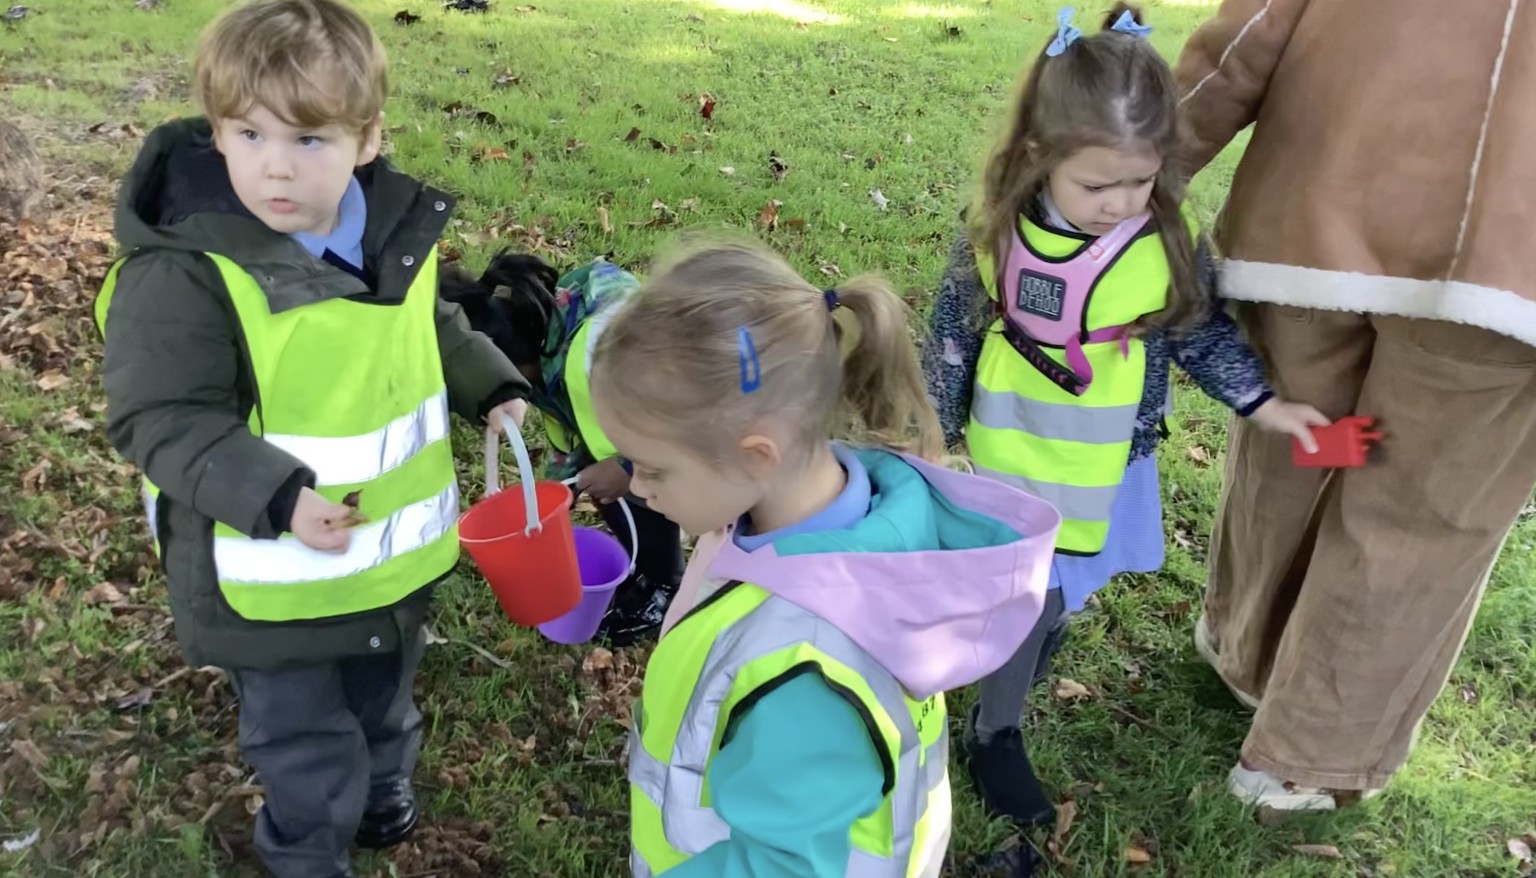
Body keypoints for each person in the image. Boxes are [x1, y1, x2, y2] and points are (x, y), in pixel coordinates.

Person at [94, 1, 529, 874]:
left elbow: (427, 322)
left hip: (385, 558)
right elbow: (161, 415)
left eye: (309, 139)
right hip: (270, 570)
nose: (276, 167)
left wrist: (490, 384)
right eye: (249, 134)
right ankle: (306, 851)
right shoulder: (184, 273)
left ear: (367, 139)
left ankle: (382, 781)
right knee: (303, 737)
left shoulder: (386, 230)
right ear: (217, 129)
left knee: (384, 688)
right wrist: (278, 496)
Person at [921, 3, 1327, 825]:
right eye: (1097, 185)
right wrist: (933, 424)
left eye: (1140, 182)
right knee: (1030, 593)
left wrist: (1264, 403)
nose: (1119, 203)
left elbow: (1197, 331)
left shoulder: (1164, 241)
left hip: (1109, 458)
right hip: (1011, 451)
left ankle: (1028, 648)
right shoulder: (997, 230)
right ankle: (994, 731)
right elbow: (953, 329)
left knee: (1063, 590)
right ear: (1037, 156)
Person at [589, 240, 1061, 878]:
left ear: (757, 455)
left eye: (652, 468)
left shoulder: (807, 671)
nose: (639, 488)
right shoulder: (785, 507)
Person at [1174, 0, 1536, 809]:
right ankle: (1308, 755)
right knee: (1421, 517)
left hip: (1315, 215)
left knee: (1288, 455)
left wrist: (1145, 166)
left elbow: (1248, 33)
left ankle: (1241, 647)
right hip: (1511, 276)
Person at [441, 252, 685, 645]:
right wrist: (555, 494)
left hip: (698, 429)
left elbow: (680, 428)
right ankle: (642, 568)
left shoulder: (603, 354)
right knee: (594, 479)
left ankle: (666, 586)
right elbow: (569, 430)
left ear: (508, 362)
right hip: (648, 428)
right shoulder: (545, 353)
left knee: (629, 486)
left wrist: (626, 467)